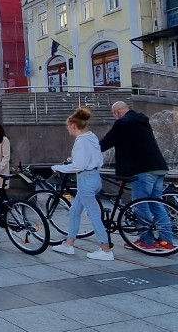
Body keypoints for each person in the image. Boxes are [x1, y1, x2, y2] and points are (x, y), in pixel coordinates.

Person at [100, 101, 173, 250]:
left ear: (117, 112)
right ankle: (167, 242)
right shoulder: (142, 120)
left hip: (142, 170)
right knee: (156, 204)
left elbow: (106, 142)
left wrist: (89, 148)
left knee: (140, 205)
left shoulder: (123, 122)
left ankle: (146, 241)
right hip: (158, 168)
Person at [51, 108, 113, 261]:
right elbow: (92, 159)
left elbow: (79, 165)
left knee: (94, 215)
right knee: (74, 211)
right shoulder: (90, 137)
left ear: (73, 125)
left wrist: (58, 167)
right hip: (93, 177)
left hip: (86, 179)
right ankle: (68, 244)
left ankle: (105, 250)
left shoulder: (81, 141)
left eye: (67, 126)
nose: (67, 129)